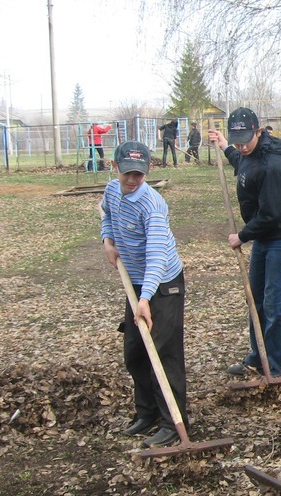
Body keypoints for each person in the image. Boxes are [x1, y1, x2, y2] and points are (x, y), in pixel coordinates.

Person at [101, 141, 188, 449]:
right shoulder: (112, 191)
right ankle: (147, 413)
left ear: (147, 173)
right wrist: (108, 240)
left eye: (138, 174)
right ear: (115, 168)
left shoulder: (152, 205)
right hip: (136, 283)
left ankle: (172, 422)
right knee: (135, 353)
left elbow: (156, 256)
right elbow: (107, 216)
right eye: (127, 173)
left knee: (163, 354)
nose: (132, 180)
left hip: (163, 284)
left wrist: (145, 298)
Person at [208, 108, 281, 378]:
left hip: (280, 238)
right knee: (256, 300)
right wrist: (225, 146)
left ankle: (280, 366)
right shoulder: (248, 153)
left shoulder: (274, 165)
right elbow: (241, 161)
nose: (241, 146)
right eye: (236, 140)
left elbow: (271, 215)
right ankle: (259, 354)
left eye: (245, 140)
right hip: (262, 237)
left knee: (274, 304)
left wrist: (242, 236)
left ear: (259, 132)